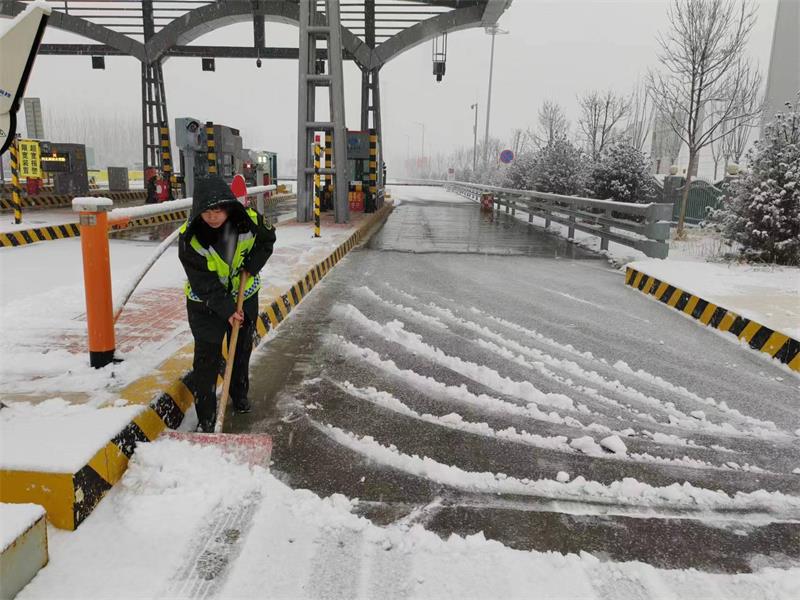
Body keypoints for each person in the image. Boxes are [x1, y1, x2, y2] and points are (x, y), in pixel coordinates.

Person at [178, 175, 276, 432]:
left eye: (218, 210)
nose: (213, 216)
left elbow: (268, 240)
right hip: (205, 304)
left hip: (246, 295)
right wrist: (228, 310)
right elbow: (203, 283)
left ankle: (239, 392)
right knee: (207, 358)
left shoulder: (250, 221)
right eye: (207, 211)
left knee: (241, 350)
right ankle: (208, 417)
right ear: (198, 210)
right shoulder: (190, 239)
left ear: (229, 206)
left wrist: (252, 265)